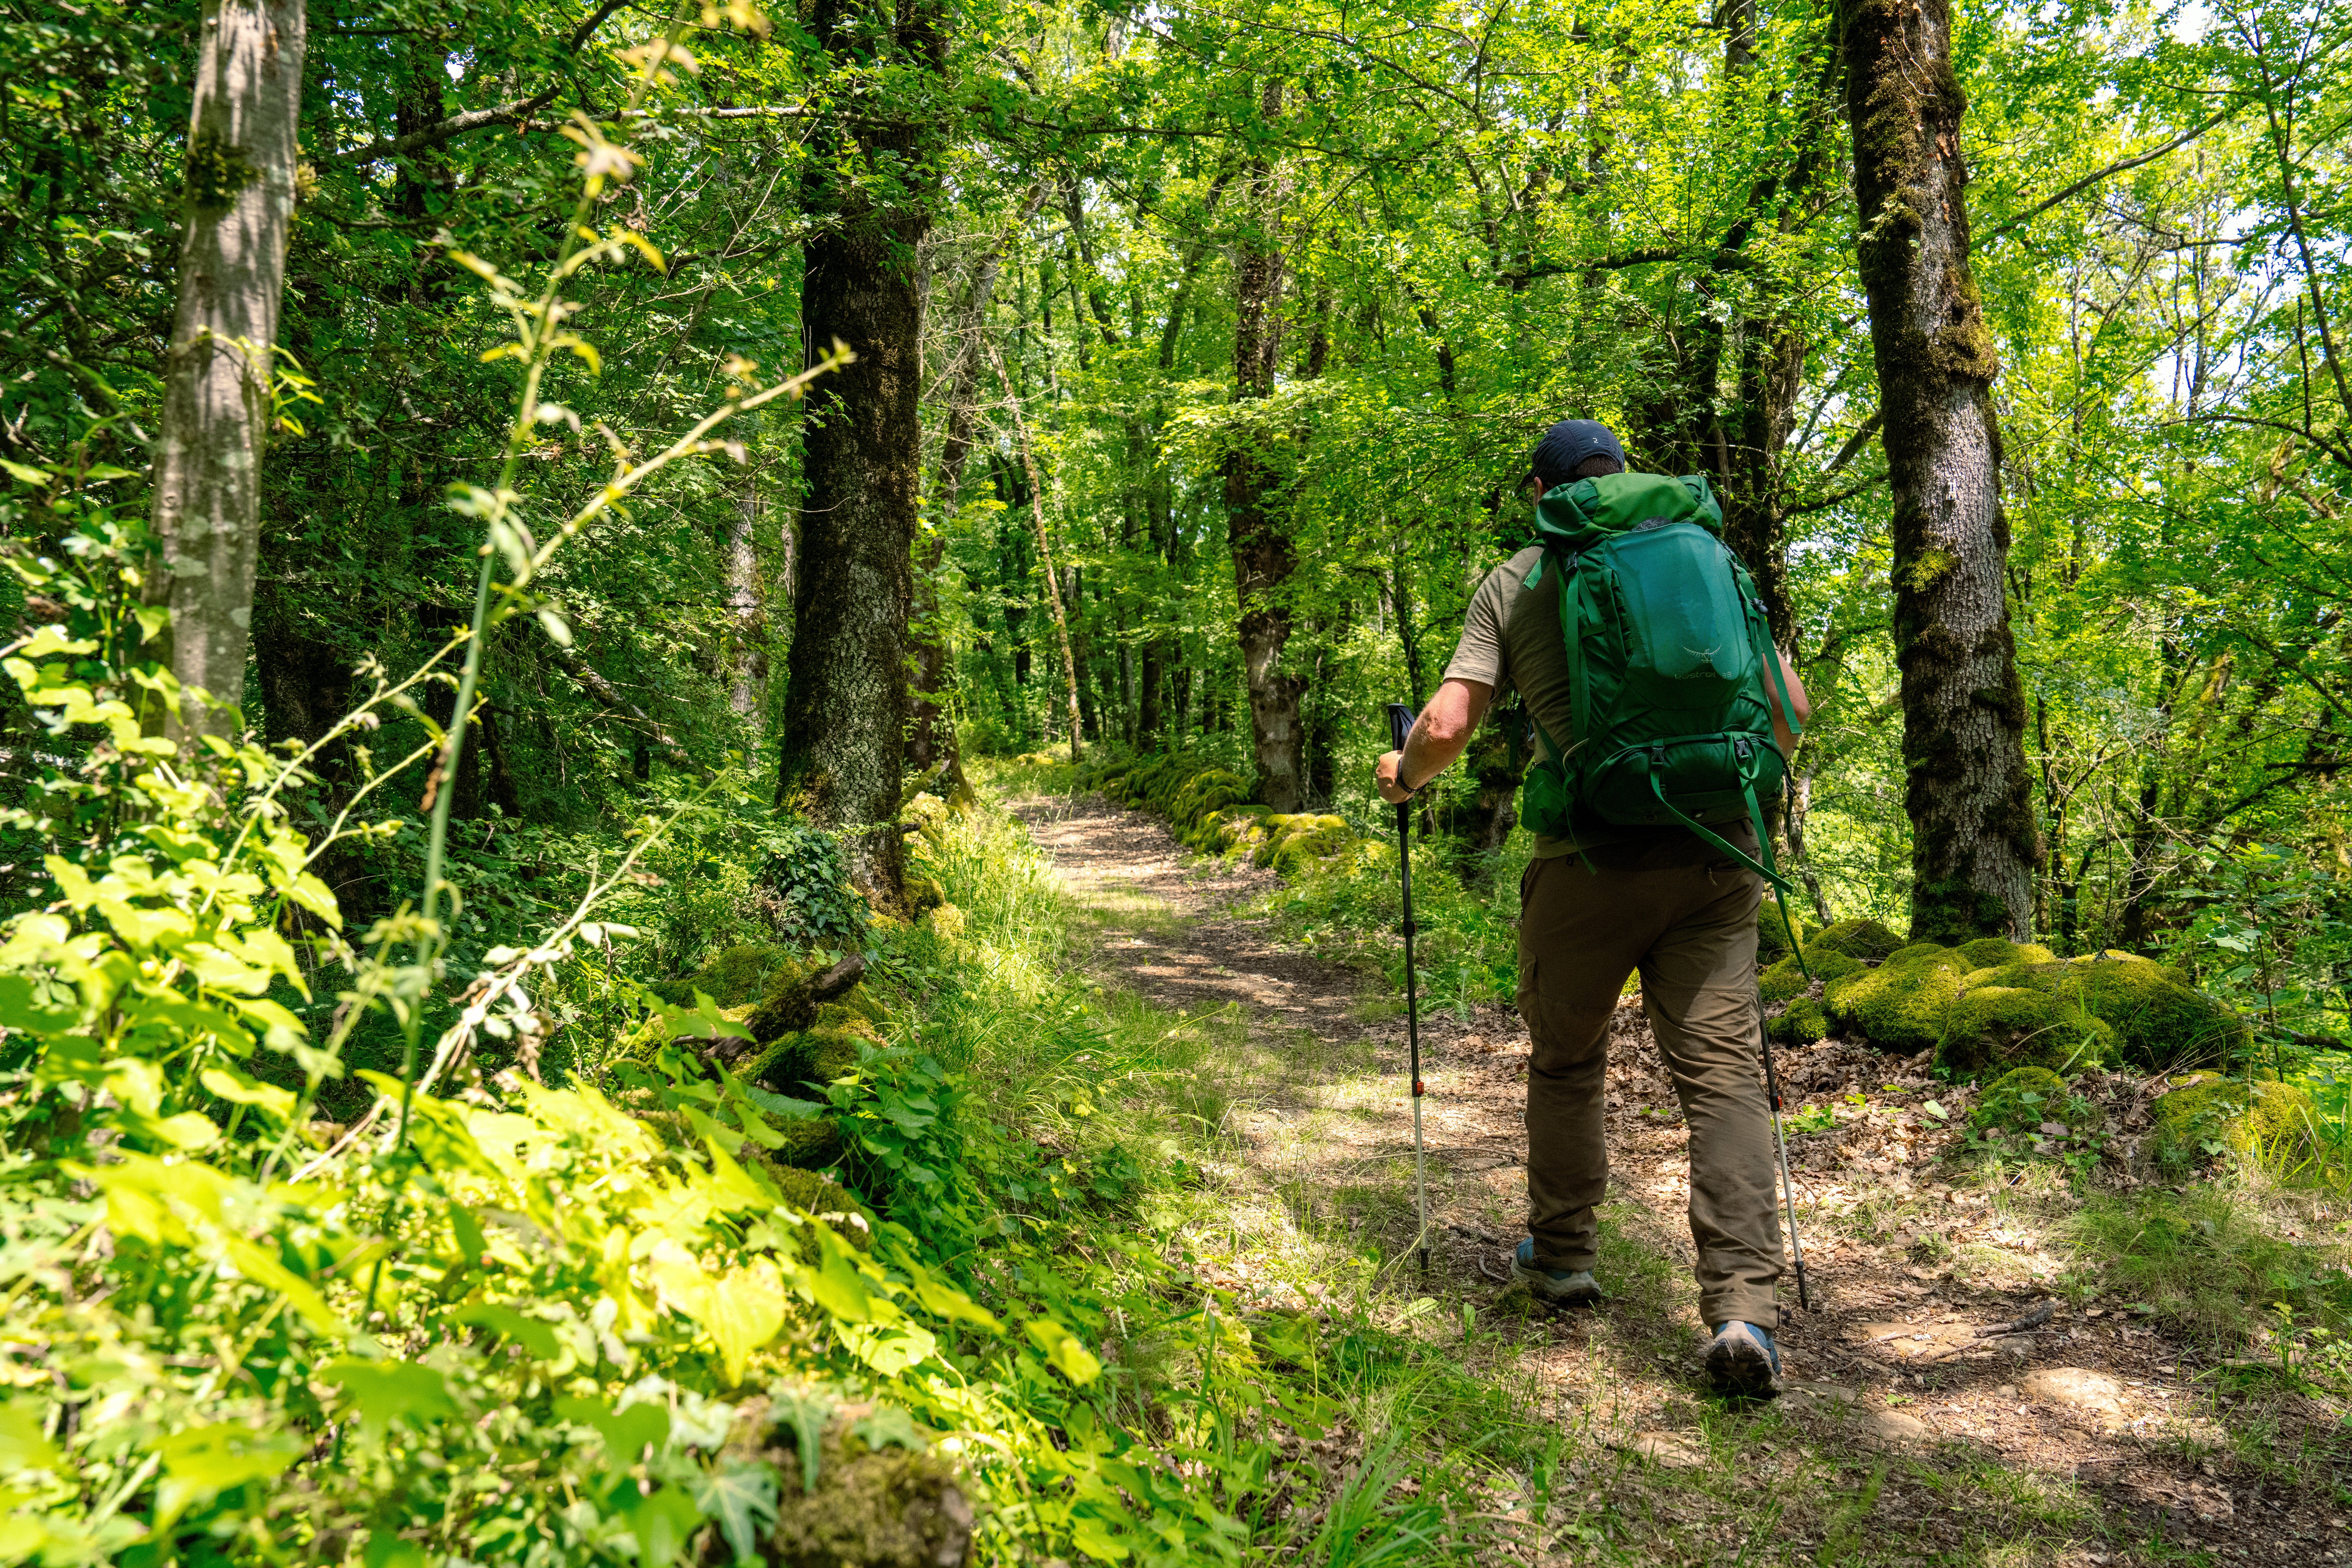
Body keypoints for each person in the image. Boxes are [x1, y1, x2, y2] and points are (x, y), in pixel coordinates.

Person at [1373, 418, 1811, 1399]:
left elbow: (1449, 722)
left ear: (1544, 493)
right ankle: (1744, 1311)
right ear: (1623, 477)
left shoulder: (1520, 578)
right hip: (1717, 856)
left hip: (1587, 861)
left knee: (1567, 1060)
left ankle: (1565, 1256)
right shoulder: (1706, 560)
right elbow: (1790, 711)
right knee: (1725, 1079)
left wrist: (1405, 774)